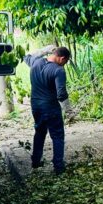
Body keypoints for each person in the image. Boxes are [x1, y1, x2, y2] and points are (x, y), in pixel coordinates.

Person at [24, 45, 72, 174]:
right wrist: (69, 111)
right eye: (65, 62)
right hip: (51, 107)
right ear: (62, 58)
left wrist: (45, 49)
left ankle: (35, 161)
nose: (64, 65)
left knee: (39, 132)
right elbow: (61, 94)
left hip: (36, 105)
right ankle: (58, 166)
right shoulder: (58, 71)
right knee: (57, 135)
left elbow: (26, 56)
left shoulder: (36, 62)